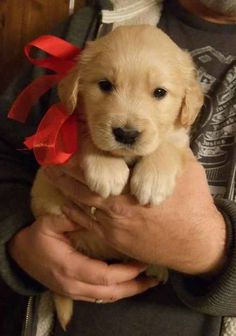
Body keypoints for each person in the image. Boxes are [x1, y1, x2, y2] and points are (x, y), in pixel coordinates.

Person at [0, 0, 235, 335]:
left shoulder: (179, 101)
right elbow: (6, 150)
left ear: (188, 103)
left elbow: (175, 145)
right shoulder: (89, 29)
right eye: (106, 87)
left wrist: (212, 251)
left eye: (158, 92)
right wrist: (17, 242)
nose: (127, 122)